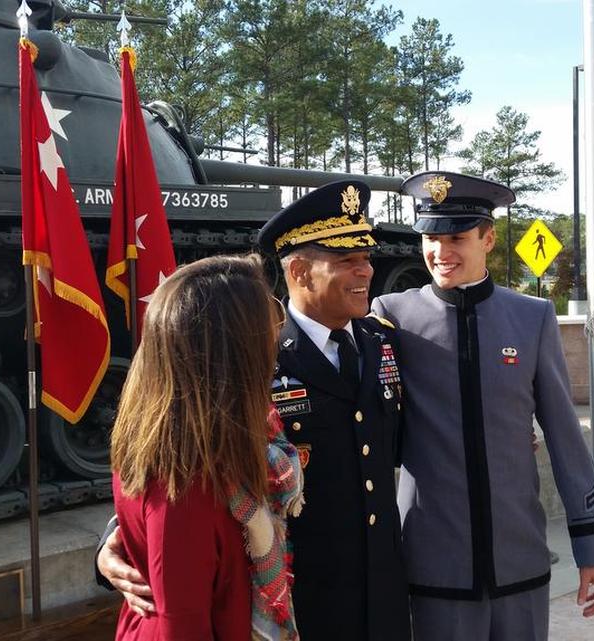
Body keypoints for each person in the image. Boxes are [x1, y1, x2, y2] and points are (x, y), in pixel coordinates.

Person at [98, 181, 411, 641]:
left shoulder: (383, 341)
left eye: (366, 258)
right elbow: (178, 461)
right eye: (347, 261)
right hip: (299, 602)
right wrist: (114, 542)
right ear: (301, 271)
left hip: (381, 595)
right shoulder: (248, 354)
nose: (366, 271)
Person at [371, 171, 594, 641]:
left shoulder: (531, 317)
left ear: (488, 238)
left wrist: (592, 548)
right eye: (431, 238)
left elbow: (565, 440)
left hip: (518, 560)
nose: (441, 252)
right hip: (434, 564)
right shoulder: (391, 317)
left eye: (457, 237)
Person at [107, 254, 301, 641]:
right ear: (235, 350)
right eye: (267, 324)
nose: (276, 337)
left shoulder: (238, 439)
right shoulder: (186, 486)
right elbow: (183, 625)